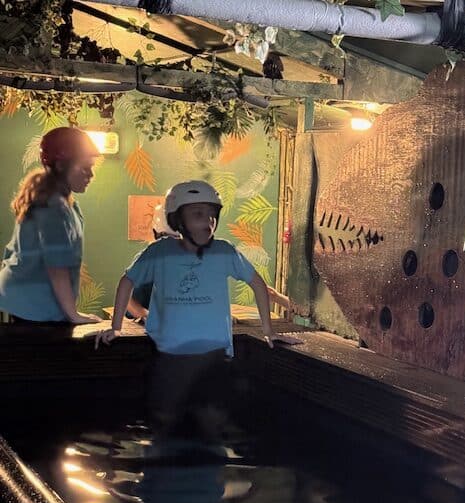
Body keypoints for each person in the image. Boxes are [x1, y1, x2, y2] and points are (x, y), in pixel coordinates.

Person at [95, 180, 300, 424]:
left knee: (210, 422)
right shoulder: (159, 252)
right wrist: (116, 327)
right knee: (168, 420)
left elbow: (257, 284)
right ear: (177, 219)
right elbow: (127, 281)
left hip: (214, 358)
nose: (208, 221)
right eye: (198, 214)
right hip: (170, 357)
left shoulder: (224, 251)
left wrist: (269, 331)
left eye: (212, 214)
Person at [0, 127, 102, 324]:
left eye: (92, 167)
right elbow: (57, 268)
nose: (91, 174)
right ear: (61, 166)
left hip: (26, 301)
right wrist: (74, 315)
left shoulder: (62, 204)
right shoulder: (53, 208)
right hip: (30, 307)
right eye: (84, 167)